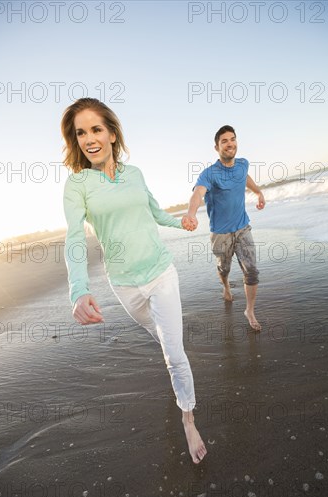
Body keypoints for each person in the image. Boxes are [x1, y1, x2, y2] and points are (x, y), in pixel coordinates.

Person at [61, 98, 206, 464]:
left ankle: (188, 418)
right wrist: (79, 289)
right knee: (163, 339)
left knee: (174, 354)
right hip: (124, 286)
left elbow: (155, 212)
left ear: (111, 133)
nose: (89, 139)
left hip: (160, 273)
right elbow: (75, 237)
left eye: (96, 129)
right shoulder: (77, 185)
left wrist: (182, 222)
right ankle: (176, 363)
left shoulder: (135, 174)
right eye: (81, 132)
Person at [185, 125, 266, 331]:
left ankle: (249, 310)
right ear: (216, 147)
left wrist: (258, 192)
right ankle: (226, 286)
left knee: (252, 271)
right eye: (224, 141)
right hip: (220, 233)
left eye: (233, 139)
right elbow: (197, 194)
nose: (230, 143)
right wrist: (191, 214)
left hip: (242, 227)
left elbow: (245, 177)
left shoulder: (243, 164)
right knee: (224, 268)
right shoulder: (209, 174)